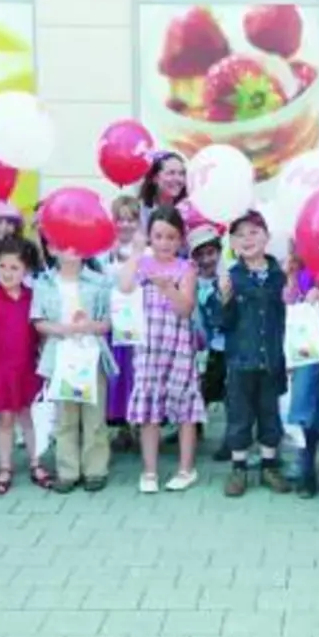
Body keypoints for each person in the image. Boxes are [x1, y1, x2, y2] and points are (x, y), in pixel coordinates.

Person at [117, 206, 206, 493]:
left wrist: (168, 288)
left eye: (171, 237)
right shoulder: (142, 264)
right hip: (148, 348)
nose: (164, 242)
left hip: (178, 348)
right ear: (150, 237)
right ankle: (150, 471)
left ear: (180, 240)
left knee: (185, 408)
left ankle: (186, 469)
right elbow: (125, 286)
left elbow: (186, 309)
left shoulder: (185, 269)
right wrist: (136, 252)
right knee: (149, 410)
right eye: (158, 236)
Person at [32, 239, 116, 494]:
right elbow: (38, 320)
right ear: (51, 249)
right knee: (65, 417)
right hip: (61, 355)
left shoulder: (100, 282)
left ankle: (95, 469)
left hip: (91, 354)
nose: (70, 250)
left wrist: (90, 326)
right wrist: (63, 329)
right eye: (61, 244)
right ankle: (68, 471)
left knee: (94, 416)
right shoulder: (44, 282)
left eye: (76, 242)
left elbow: (108, 322)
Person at [217, 210, 290, 497]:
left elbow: (289, 315)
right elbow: (221, 322)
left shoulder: (280, 275)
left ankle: (270, 464)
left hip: (272, 358)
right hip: (240, 360)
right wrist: (223, 299)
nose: (248, 239)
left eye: (254, 232)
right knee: (239, 415)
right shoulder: (231, 278)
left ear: (267, 237)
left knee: (270, 413)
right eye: (240, 235)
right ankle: (239, 468)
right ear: (232, 244)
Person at [0, 237, 48, 495]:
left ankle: (36, 462)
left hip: (26, 367)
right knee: (4, 419)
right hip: (0, 369)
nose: (7, 272)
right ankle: (5, 467)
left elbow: (40, 334)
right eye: (2, 266)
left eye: (14, 268)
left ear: (26, 270)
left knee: (28, 416)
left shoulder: (33, 297)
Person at [284, 260, 319, 499]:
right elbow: (289, 299)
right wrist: (293, 277)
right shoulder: (303, 264)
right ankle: (306, 467)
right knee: (306, 403)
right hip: (308, 343)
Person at [102, 195, 144, 452]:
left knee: (137, 374)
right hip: (113, 322)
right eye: (121, 219)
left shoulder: (146, 250)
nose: (126, 225)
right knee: (117, 376)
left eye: (131, 219)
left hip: (137, 323)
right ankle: (121, 426)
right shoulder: (103, 252)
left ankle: (140, 424)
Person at [188, 225, 230, 461]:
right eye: (200, 254)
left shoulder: (227, 278)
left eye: (211, 253)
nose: (206, 259)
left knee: (230, 395)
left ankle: (231, 439)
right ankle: (192, 429)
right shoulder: (191, 281)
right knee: (197, 390)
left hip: (225, 346)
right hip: (201, 347)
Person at [138, 151, 187, 227]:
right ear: (155, 178)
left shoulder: (187, 211)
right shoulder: (139, 212)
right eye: (171, 173)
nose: (178, 179)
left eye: (181, 174)